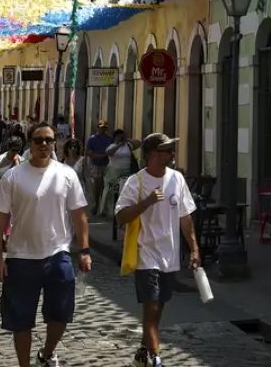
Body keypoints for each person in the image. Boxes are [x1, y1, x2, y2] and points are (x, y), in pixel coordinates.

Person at [0, 121, 91, 367]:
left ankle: (47, 352)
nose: (44, 144)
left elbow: (79, 215)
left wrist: (85, 250)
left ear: (55, 143)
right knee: (21, 320)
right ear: (29, 143)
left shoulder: (67, 174)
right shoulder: (13, 176)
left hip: (58, 255)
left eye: (49, 140)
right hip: (21, 257)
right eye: (38, 140)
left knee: (61, 313)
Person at [115, 133, 200, 367]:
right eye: (168, 151)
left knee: (158, 306)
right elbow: (121, 216)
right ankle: (155, 356)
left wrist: (194, 248)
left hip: (169, 254)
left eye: (172, 150)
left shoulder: (177, 179)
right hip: (145, 253)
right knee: (151, 305)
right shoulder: (136, 181)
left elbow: (185, 217)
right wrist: (147, 202)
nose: (173, 154)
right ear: (153, 154)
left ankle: (143, 351)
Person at [99, 129, 135, 216]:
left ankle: (121, 209)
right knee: (111, 190)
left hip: (126, 171)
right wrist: (119, 145)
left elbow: (139, 143)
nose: (121, 138)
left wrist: (127, 140)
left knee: (123, 190)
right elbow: (109, 153)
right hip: (113, 172)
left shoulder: (128, 145)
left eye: (122, 136)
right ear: (115, 137)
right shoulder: (112, 146)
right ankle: (107, 210)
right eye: (119, 136)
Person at [85, 121, 112, 209]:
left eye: (105, 127)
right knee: (96, 186)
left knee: (106, 186)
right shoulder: (92, 139)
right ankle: (95, 204)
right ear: (98, 128)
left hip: (107, 165)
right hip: (96, 164)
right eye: (101, 127)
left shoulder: (110, 138)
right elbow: (88, 152)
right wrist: (99, 156)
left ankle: (103, 206)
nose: (103, 129)